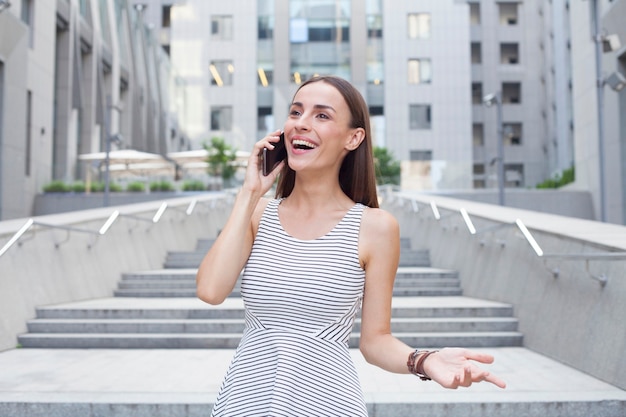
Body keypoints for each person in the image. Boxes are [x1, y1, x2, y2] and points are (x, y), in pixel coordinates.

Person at [196, 75, 506, 416]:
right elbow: (211, 290)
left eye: (321, 116)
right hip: (245, 401)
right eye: (296, 112)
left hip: (328, 403)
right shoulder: (257, 214)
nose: (301, 124)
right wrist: (249, 193)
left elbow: (375, 341)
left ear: (353, 137)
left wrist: (425, 360)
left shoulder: (375, 228)